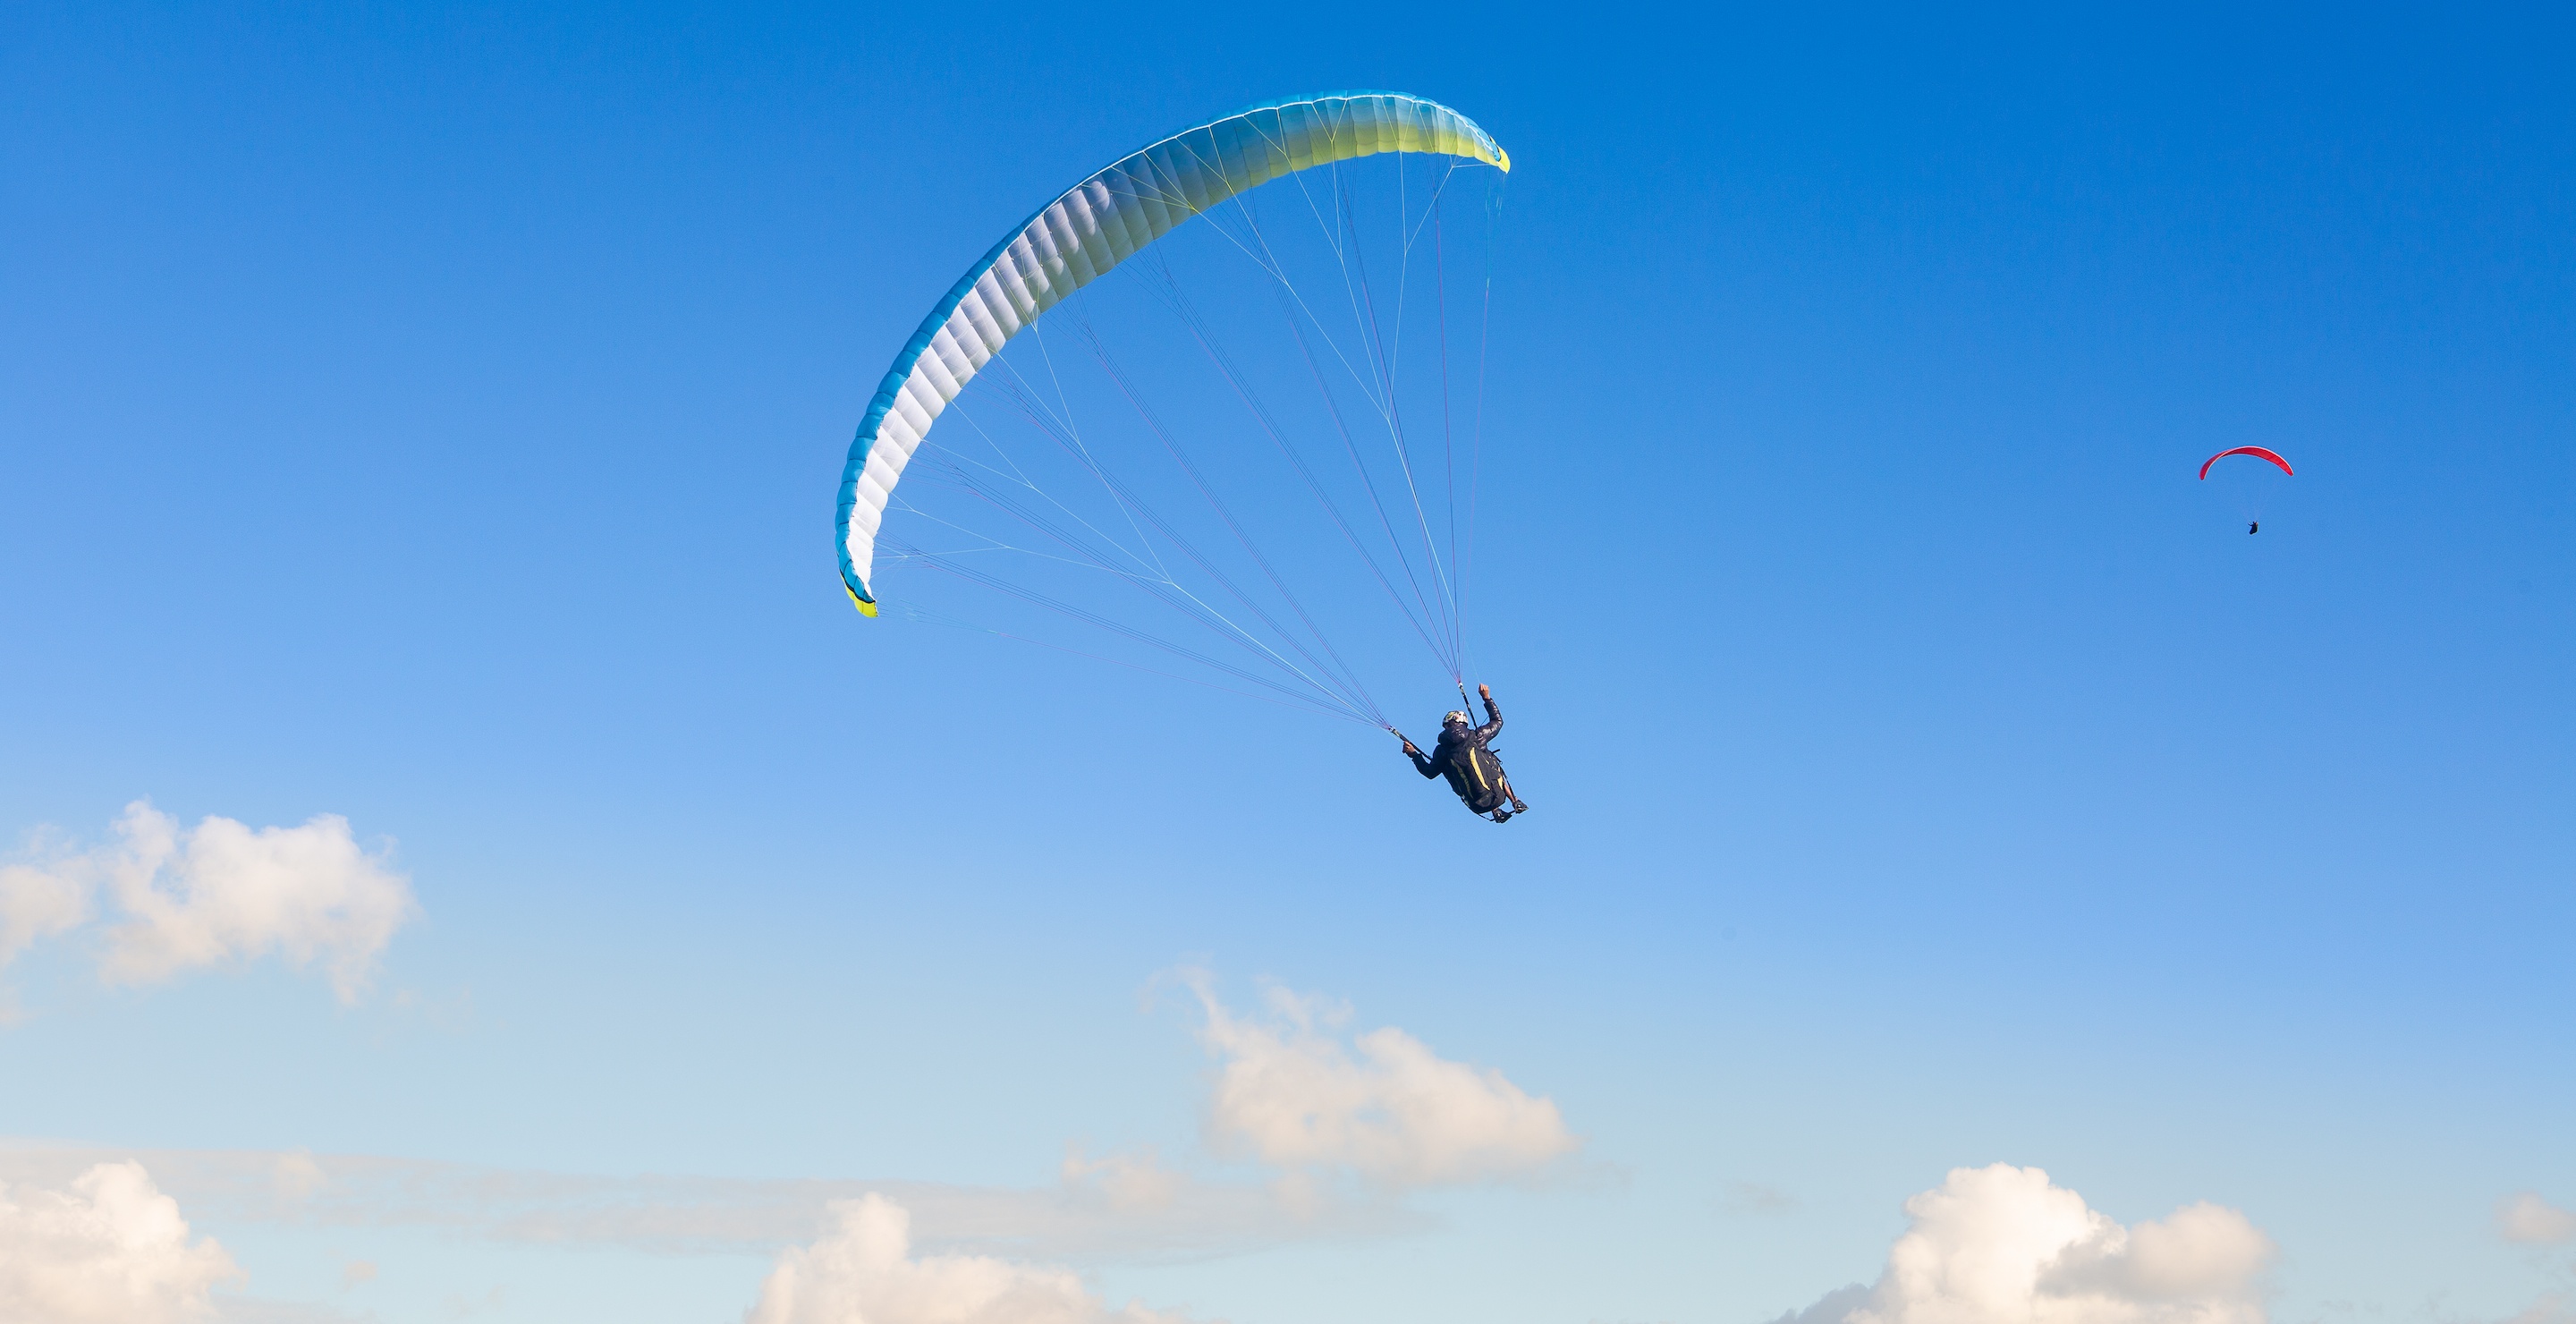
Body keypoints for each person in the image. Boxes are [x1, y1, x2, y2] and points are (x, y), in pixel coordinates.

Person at [1398, 683, 1528, 823]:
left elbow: (1429, 772)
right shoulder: (1477, 736)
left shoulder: (1441, 751)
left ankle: (1495, 810)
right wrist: (1486, 698)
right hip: (1498, 795)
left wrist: (1414, 755)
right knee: (1489, 761)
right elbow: (1498, 721)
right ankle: (1515, 800)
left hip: (1476, 805)